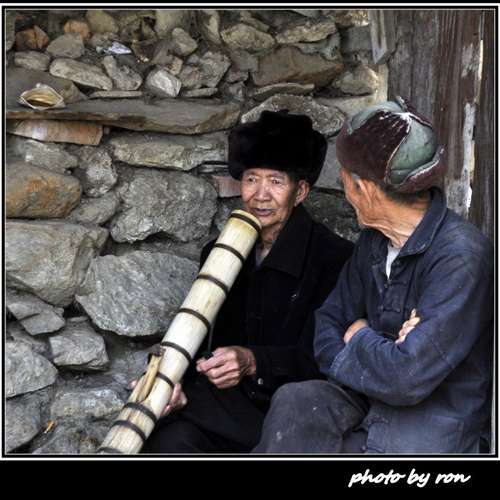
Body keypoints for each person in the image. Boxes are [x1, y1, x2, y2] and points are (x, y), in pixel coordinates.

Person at [253, 97, 493, 454]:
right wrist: (386, 350)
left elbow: (406, 379)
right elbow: (327, 324)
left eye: (345, 181)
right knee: (296, 404)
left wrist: (360, 335)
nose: (346, 192)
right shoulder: (374, 241)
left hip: (430, 422)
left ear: (362, 189)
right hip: (366, 398)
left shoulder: (460, 257)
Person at [140, 110, 354, 453]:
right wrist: (172, 383)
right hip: (221, 406)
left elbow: (325, 361)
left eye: (276, 182)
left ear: (300, 191)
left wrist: (253, 361)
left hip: (286, 412)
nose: (261, 195)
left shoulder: (334, 258)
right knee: (168, 441)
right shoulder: (219, 253)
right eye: (252, 179)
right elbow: (196, 337)